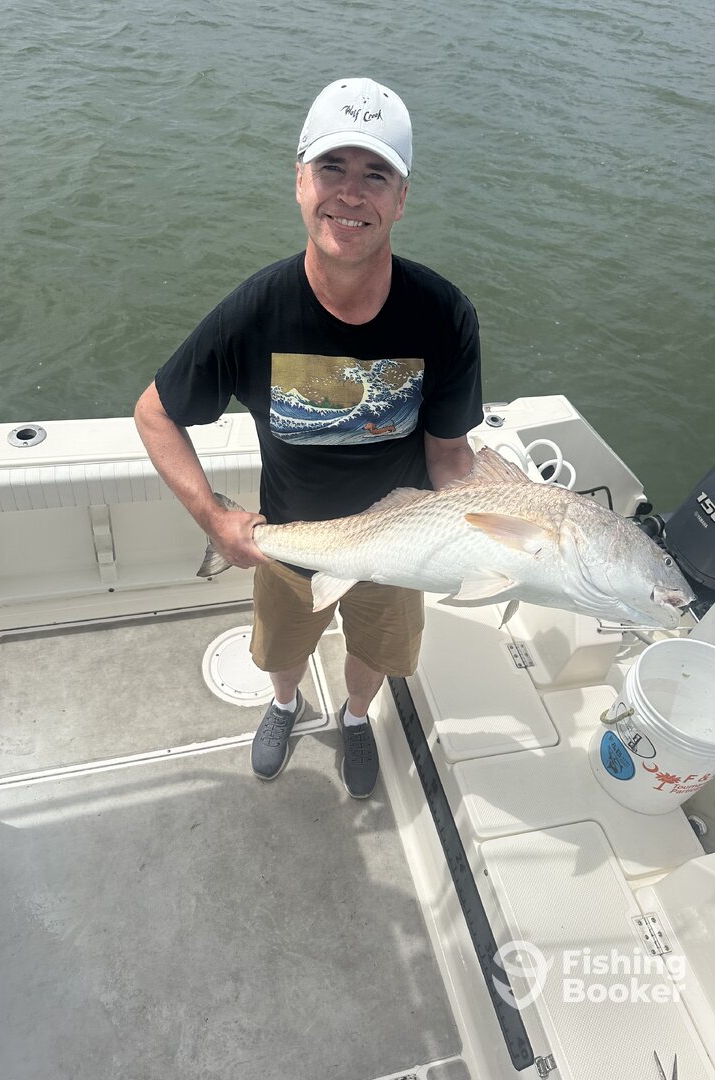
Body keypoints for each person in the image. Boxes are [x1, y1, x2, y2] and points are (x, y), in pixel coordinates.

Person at [134, 77, 482, 799]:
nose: (350, 194)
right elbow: (155, 413)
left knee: (377, 654)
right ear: (300, 181)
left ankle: (354, 718)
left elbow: (449, 456)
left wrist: (492, 527)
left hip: (400, 548)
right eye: (333, 168)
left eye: (376, 175)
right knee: (281, 652)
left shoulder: (445, 315)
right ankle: (286, 704)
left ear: (401, 198)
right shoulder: (254, 312)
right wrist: (215, 518)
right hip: (290, 545)